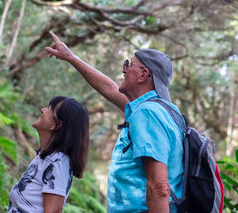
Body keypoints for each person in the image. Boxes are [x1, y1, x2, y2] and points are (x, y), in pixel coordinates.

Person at [45, 32, 184, 213]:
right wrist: (70, 57)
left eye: (129, 65)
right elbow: (109, 88)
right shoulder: (163, 110)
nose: (124, 70)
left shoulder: (148, 113)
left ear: (143, 75)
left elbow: (159, 187)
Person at [8, 96, 89, 213]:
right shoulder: (45, 157)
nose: (42, 110)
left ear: (56, 125)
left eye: (49, 109)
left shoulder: (58, 163)